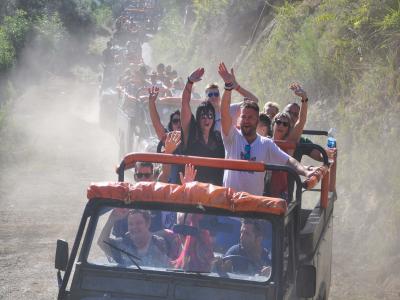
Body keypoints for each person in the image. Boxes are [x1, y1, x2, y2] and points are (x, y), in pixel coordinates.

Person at [218, 62, 318, 196]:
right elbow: (224, 113)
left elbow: (289, 160)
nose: (246, 120)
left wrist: (305, 171)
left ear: (257, 121)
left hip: (254, 208)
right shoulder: (232, 137)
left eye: (251, 117)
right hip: (229, 208)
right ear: (239, 119)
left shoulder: (265, 143)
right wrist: (228, 87)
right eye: (244, 117)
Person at [180, 68, 225, 185]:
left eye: (210, 116)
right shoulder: (191, 133)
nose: (207, 119)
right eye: (203, 115)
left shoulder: (218, 137)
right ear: (198, 118)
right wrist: (190, 82)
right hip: (193, 189)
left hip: (214, 189)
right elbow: (185, 103)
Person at [98, 209, 169, 267]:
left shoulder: (159, 244)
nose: (134, 227)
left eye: (138, 223)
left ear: (148, 224)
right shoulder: (122, 245)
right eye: (131, 224)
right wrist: (111, 219)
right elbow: (101, 242)